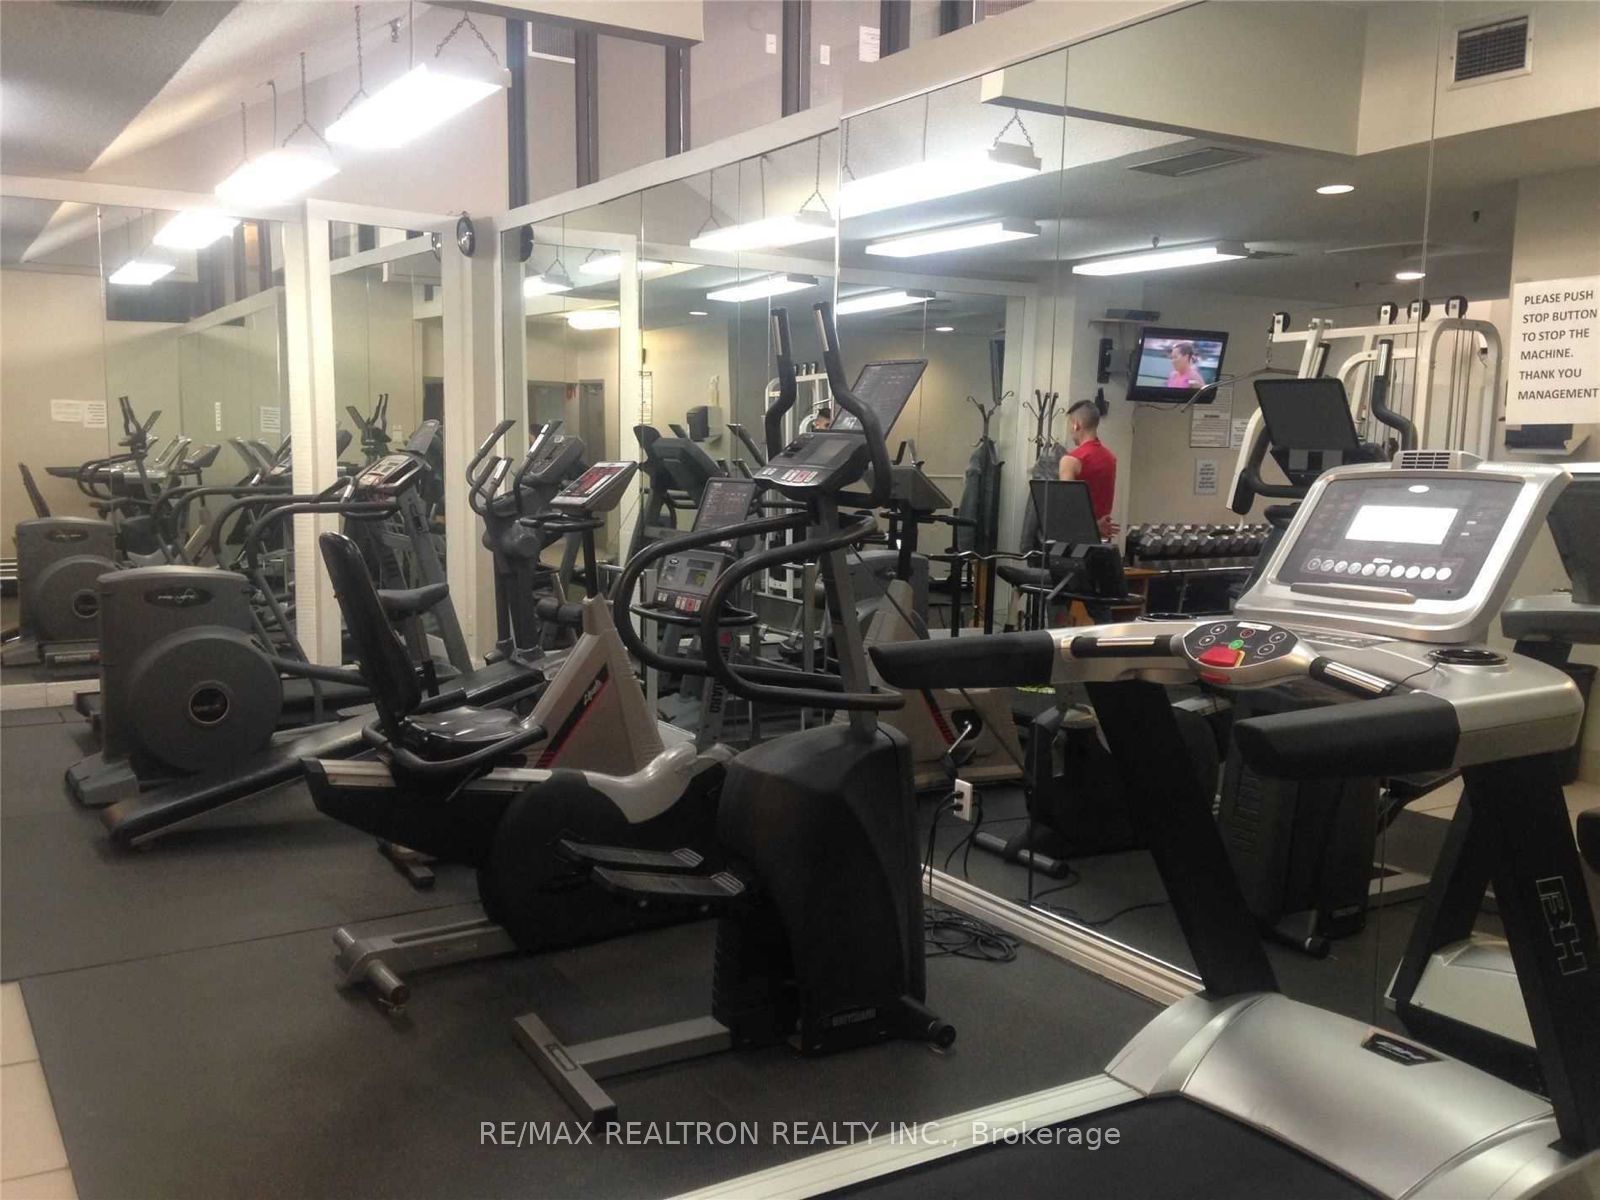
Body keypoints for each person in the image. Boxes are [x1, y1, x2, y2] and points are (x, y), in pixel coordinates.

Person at [1058, 399, 1118, 539]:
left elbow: (1067, 510)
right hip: (1102, 540)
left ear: (1076, 425)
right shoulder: (1110, 458)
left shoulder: (1071, 461)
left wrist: (1094, 525)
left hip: (1077, 540)